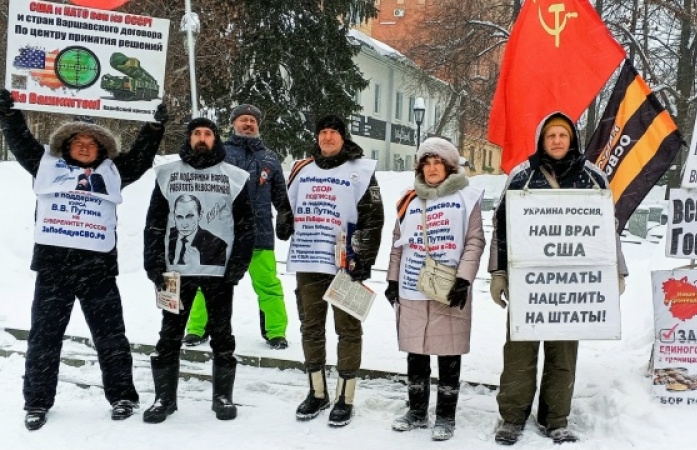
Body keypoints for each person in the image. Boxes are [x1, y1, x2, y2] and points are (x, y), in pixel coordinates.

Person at [0, 88, 168, 430]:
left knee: (111, 337)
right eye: (77, 140)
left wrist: (153, 129)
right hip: (53, 270)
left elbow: (139, 158)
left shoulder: (113, 172)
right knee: (44, 338)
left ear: (101, 148)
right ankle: (37, 402)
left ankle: (122, 396)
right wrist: (8, 114)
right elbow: (20, 142)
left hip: (98, 271)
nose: (84, 145)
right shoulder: (45, 166)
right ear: (66, 144)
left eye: (92, 141)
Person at [489, 113, 628, 445]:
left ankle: (556, 417)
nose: (556, 140)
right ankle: (512, 416)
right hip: (528, 282)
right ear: (541, 140)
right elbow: (501, 226)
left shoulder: (593, 178)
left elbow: (608, 228)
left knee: (563, 353)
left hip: (572, 286)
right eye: (550, 135)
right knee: (519, 353)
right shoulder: (522, 176)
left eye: (562, 135)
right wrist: (498, 272)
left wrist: (616, 271)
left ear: (572, 139)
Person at [143, 117, 255, 423]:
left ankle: (222, 397)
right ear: (189, 138)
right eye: (196, 133)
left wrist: (238, 264)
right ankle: (164, 399)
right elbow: (154, 223)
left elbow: (246, 225)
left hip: (219, 271)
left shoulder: (234, 176)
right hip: (173, 272)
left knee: (222, 335)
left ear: (216, 139)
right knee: (169, 336)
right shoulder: (168, 174)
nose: (202, 138)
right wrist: (153, 262)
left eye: (207, 133)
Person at [276, 114, 384, 427]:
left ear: (343, 136)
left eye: (333, 132)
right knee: (310, 327)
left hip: (345, 263)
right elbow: (287, 202)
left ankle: (345, 397)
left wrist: (364, 257)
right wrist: (284, 219)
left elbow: (373, 217)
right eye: (322, 132)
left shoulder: (361, 171)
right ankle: (317, 392)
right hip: (309, 260)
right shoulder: (302, 168)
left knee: (348, 329)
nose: (327, 137)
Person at [386, 138, 485, 441]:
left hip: (448, 288)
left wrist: (465, 279)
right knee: (416, 353)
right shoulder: (408, 199)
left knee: (448, 355)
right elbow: (397, 243)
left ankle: (445, 415)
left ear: (449, 166)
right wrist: (392, 279)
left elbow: (474, 241)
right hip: (412, 286)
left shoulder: (467, 197)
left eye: (437, 163)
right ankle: (416, 411)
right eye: (426, 163)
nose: (431, 168)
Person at [182, 104, 290, 349]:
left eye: (252, 120)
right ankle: (197, 329)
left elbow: (281, 197)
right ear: (233, 124)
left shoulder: (270, 158)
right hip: (220, 233)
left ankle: (276, 332)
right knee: (207, 282)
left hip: (260, 236)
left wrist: (286, 217)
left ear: (258, 125)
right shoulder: (219, 153)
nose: (248, 124)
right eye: (243, 120)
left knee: (268, 285)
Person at [169, 194, 228, 266]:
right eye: (179, 217)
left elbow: (220, 275)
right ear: (174, 216)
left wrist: (198, 265)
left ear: (200, 215)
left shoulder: (218, 245)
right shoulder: (166, 237)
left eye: (190, 216)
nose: (184, 224)